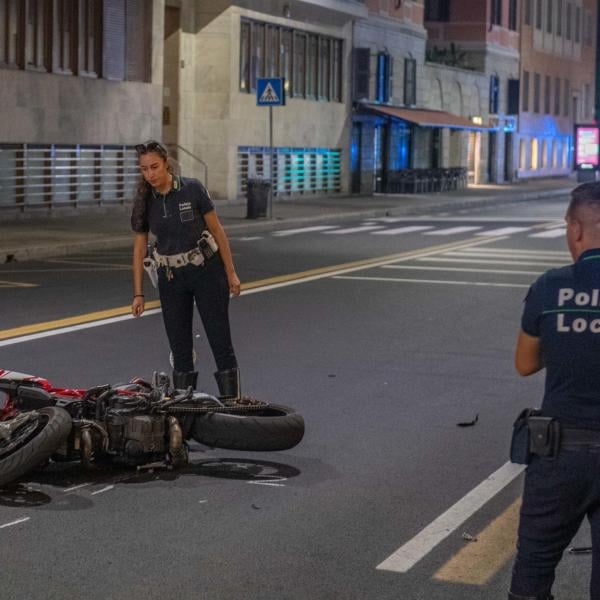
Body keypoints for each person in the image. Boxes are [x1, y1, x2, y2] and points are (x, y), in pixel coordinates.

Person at [509, 181, 600, 600]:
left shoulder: (550, 287)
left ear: (577, 230)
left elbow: (526, 363)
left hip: (559, 453)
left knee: (534, 568)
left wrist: (567, 341)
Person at [130, 140, 241, 398]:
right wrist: (138, 294)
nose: (150, 174)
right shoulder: (144, 201)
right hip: (170, 278)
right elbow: (139, 249)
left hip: (207, 272)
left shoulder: (192, 189)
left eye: (155, 167)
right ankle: (183, 410)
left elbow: (217, 231)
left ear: (166, 163)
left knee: (219, 339)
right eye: (144, 169)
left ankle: (233, 404)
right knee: (180, 347)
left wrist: (231, 272)